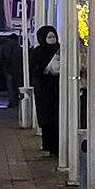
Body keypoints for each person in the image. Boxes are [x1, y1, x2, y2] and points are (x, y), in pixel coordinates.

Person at [30, 26, 61, 155]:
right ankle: (48, 145)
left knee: (58, 117)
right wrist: (45, 69)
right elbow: (35, 70)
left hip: (58, 89)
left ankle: (59, 146)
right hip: (44, 90)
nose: (52, 40)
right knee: (47, 117)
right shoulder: (38, 52)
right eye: (49, 37)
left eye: (53, 37)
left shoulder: (61, 50)